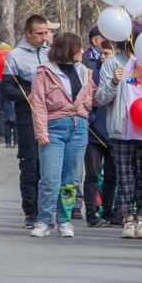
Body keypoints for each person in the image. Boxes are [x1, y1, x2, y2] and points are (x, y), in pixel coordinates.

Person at [28, 32, 94, 238]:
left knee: (71, 178)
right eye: (79, 47)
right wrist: (42, 131)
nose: (82, 51)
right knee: (50, 177)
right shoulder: (44, 73)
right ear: (68, 49)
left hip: (79, 127)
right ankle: (44, 219)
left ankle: (64, 220)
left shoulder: (84, 71)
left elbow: (92, 98)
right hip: (54, 127)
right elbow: (37, 103)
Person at [95, 26, 142, 239]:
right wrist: (113, 82)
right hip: (121, 127)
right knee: (124, 175)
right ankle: (128, 219)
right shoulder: (113, 62)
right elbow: (100, 98)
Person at [1, 15, 52, 227]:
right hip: (27, 118)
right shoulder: (15, 57)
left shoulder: (51, 53)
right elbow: (6, 88)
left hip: (51, 117)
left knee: (48, 165)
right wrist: (27, 96)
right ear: (28, 33)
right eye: (39, 33)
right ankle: (31, 211)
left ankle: (48, 209)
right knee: (30, 163)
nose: (44, 37)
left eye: (46, 32)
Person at [81, 36, 116, 226]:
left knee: (112, 174)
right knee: (92, 174)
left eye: (107, 53)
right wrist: (91, 121)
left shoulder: (120, 76)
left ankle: (108, 211)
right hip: (94, 134)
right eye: (101, 53)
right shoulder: (92, 75)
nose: (103, 57)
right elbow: (87, 102)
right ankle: (91, 212)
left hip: (113, 133)